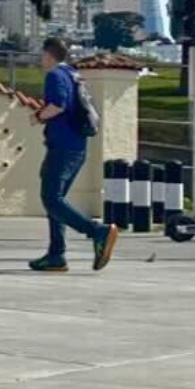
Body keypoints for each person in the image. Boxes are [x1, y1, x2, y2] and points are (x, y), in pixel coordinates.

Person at [28, 37, 121, 273]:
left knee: (51, 199)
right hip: (77, 147)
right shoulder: (73, 74)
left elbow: (57, 105)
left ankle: (97, 232)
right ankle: (56, 255)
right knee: (56, 201)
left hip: (62, 146)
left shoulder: (55, 75)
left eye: (42, 55)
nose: (41, 60)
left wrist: (38, 116)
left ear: (48, 55)